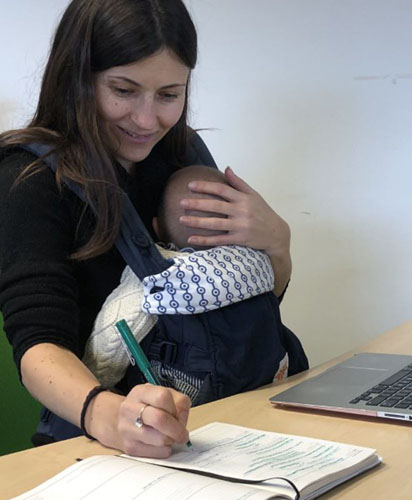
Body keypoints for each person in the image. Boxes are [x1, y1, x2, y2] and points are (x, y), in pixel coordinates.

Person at [0, 0, 294, 458]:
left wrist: (278, 244)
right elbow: (38, 349)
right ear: (77, 79)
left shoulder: (182, 154)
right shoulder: (31, 179)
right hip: (102, 443)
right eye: (123, 90)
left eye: (169, 95)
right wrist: (109, 415)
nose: (146, 119)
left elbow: (248, 297)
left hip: (221, 428)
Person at [84, 165, 281, 392]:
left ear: (156, 227)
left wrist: (96, 379)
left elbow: (112, 337)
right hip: (267, 384)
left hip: (191, 399)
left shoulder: (158, 275)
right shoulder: (258, 261)